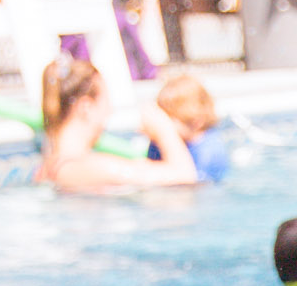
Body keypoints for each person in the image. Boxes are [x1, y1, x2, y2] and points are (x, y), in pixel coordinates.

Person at [38, 57, 201, 195]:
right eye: (105, 103)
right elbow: (185, 177)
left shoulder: (47, 169)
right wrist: (164, 129)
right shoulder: (88, 169)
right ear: (86, 107)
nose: (110, 112)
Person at [145, 73, 233, 183]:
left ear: (196, 122)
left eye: (169, 121)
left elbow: (193, 184)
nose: (163, 125)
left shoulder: (209, 151)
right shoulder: (160, 142)